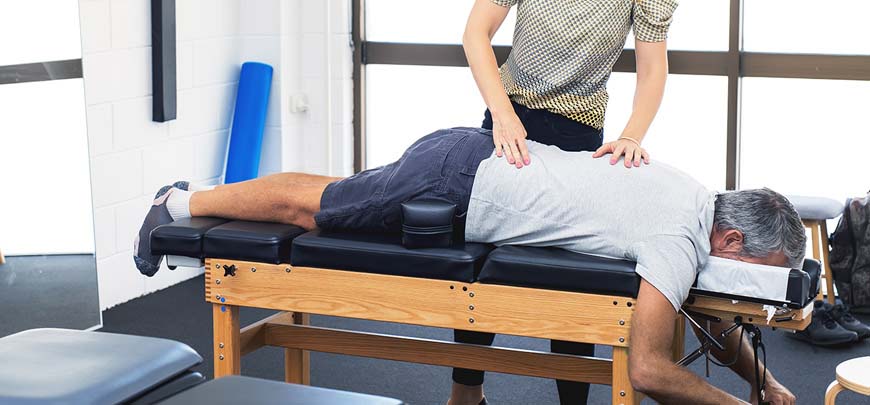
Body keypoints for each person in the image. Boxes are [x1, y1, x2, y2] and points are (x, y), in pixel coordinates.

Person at [135, 127, 802, 404]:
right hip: (456, 182)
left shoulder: (691, 194)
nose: (747, 285)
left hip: (471, 161)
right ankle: (177, 201)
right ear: (734, 242)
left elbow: (709, 322)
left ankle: (188, 198)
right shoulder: (680, 237)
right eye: (757, 271)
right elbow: (648, 367)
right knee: (315, 209)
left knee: (330, 197)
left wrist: (766, 383)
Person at [463, 0, 677, 401]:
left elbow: (652, 69)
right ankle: (466, 394)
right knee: (482, 249)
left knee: (574, 277)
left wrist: (631, 135)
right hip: (509, 118)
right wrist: (503, 113)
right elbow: (476, 33)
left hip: (579, 134)